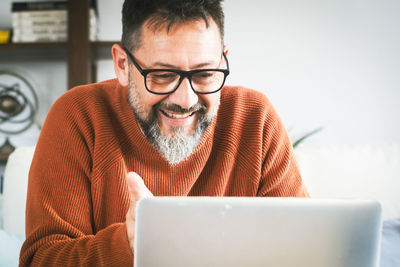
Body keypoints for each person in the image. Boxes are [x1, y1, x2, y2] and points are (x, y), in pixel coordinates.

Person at [19, 0, 309, 266]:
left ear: (222, 62)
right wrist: (129, 244)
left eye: (205, 74)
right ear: (123, 65)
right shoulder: (78, 115)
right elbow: (41, 260)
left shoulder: (255, 118)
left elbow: (306, 246)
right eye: (162, 75)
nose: (186, 99)